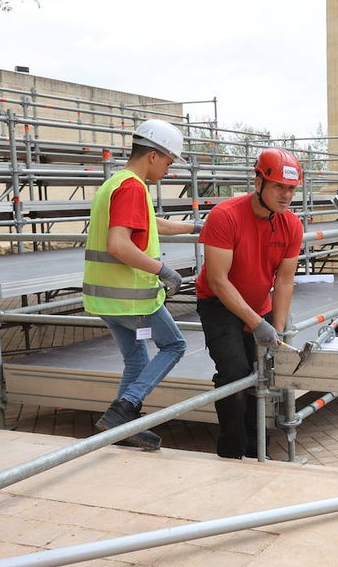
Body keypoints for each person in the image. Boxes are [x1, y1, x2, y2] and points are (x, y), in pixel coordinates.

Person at [83, 119, 198, 450]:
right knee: (173, 345)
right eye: (168, 161)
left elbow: (150, 223)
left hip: (107, 299)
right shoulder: (133, 187)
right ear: (152, 155)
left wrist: (193, 228)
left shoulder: (115, 184)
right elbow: (119, 244)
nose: (168, 169)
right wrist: (163, 269)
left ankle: (121, 427)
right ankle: (124, 409)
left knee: (136, 360)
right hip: (132, 299)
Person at [196, 147, 304, 459]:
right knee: (234, 374)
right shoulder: (225, 216)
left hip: (260, 305)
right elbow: (218, 279)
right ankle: (231, 454)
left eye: (291, 189)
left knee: (261, 375)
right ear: (258, 183)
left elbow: (284, 280)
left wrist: (277, 330)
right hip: (219, 304)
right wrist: (257, 324)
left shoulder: (291, 225)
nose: (286, 196)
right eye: (279, 187)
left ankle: (259, 452)